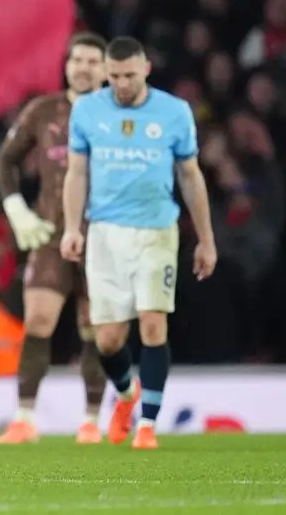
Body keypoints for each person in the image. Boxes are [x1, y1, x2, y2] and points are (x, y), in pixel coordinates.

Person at [61, 36, 217, 450]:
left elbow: (190, 175)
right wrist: (71, 227)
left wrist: (206, 239)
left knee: (152, 324)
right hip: (105, 233)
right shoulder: (88, 110)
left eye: (129, 75)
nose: (121, 84)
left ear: (146, 68)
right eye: (113, 77)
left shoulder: (173, 112)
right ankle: (127, 396)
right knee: (108, 339)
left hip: (156, 231)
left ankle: (147, 425)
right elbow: (76, 173)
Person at [0, 33, 110, 444]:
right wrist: (16, 209)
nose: (83, 67)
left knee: (96, 328)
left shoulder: (121, 115)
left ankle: (92, 421)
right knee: (38, 321)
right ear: (67, 65)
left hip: (105, 238)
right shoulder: (44, 111)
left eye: (92, 61)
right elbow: (5, 162)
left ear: (106, 69)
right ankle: (24, 418)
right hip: (51, 235)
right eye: (77, 59)